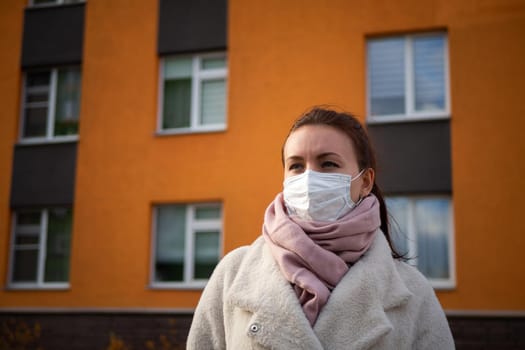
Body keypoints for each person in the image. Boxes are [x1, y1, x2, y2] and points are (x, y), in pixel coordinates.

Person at [187, 107, 455, 349]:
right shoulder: (232, 274)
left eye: (328, 164)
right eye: (296, 166)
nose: (309, 178)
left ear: (365, 181)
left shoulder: (412, 292)